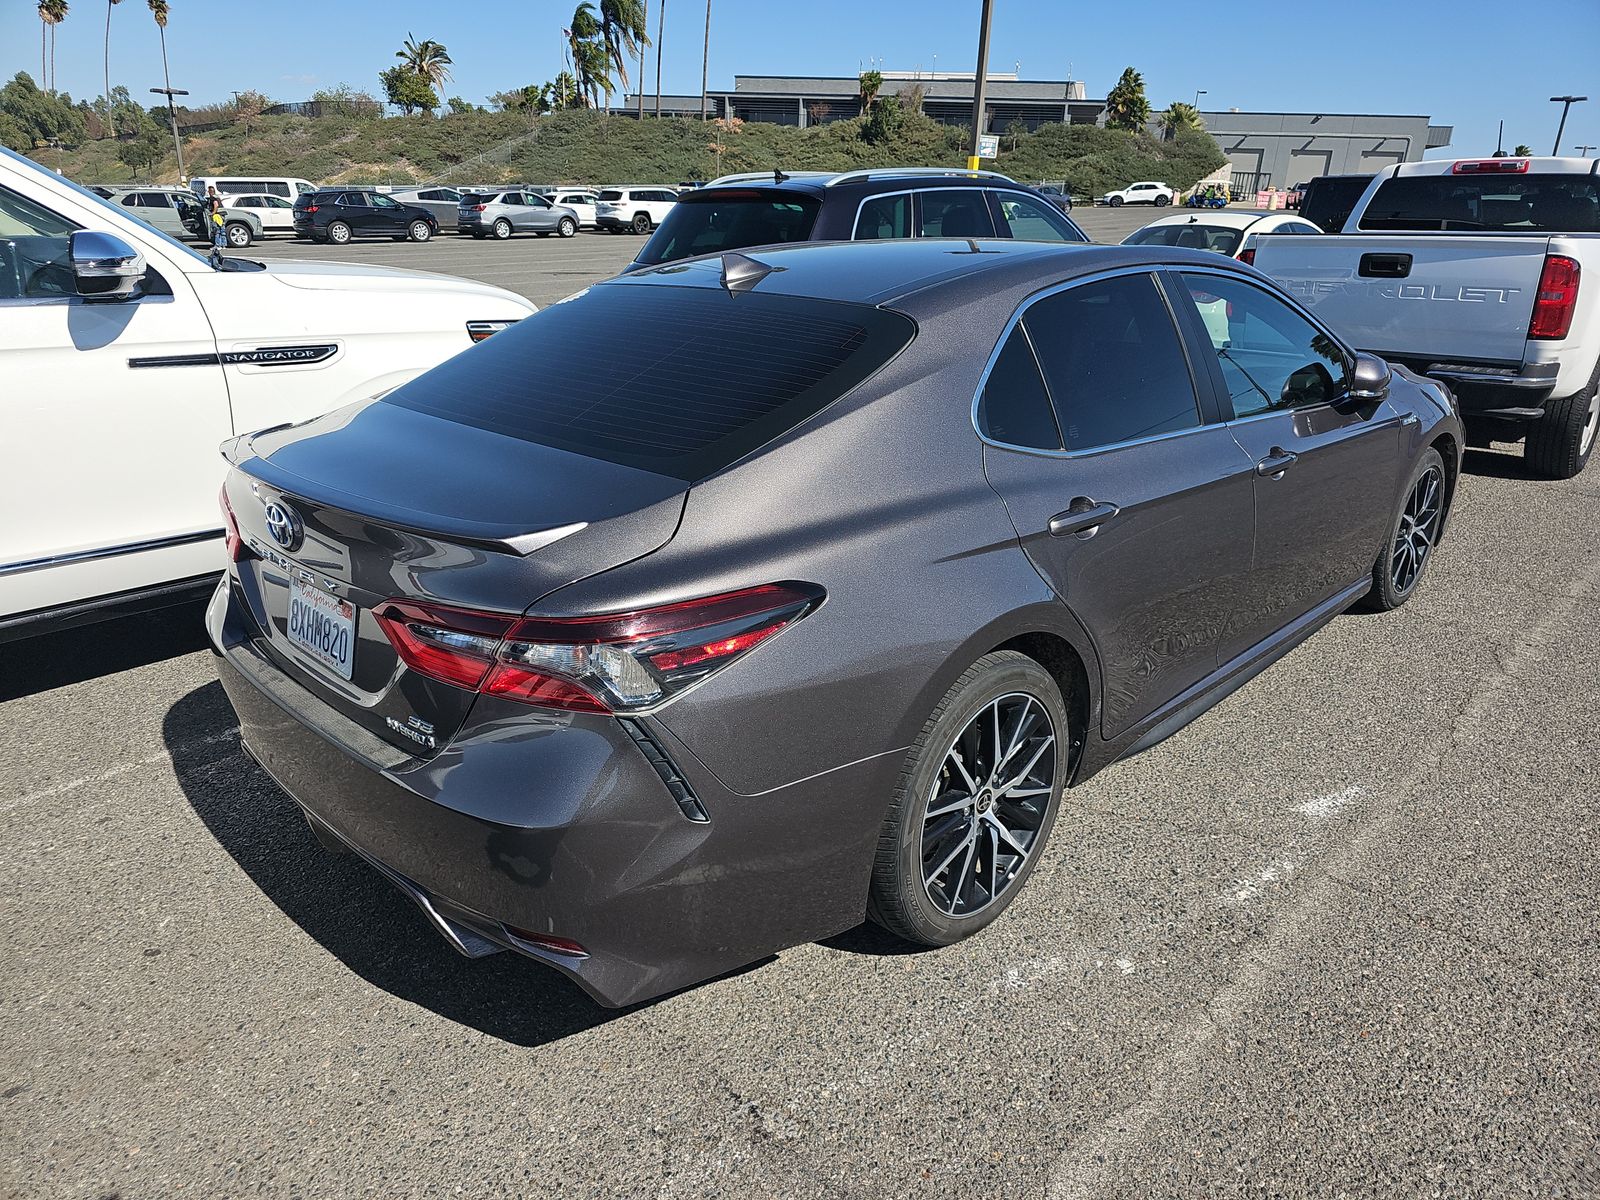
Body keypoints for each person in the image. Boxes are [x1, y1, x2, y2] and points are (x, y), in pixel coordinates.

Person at [204, 185, 226, 264]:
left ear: (209, 192)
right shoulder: (217, 197)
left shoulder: (212, 198)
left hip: (217, 216)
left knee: (216, 231)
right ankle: (223, 244)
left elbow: (215, 205)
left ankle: (217, 245)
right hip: (222, 215)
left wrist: (212, 213)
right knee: (222, 229)